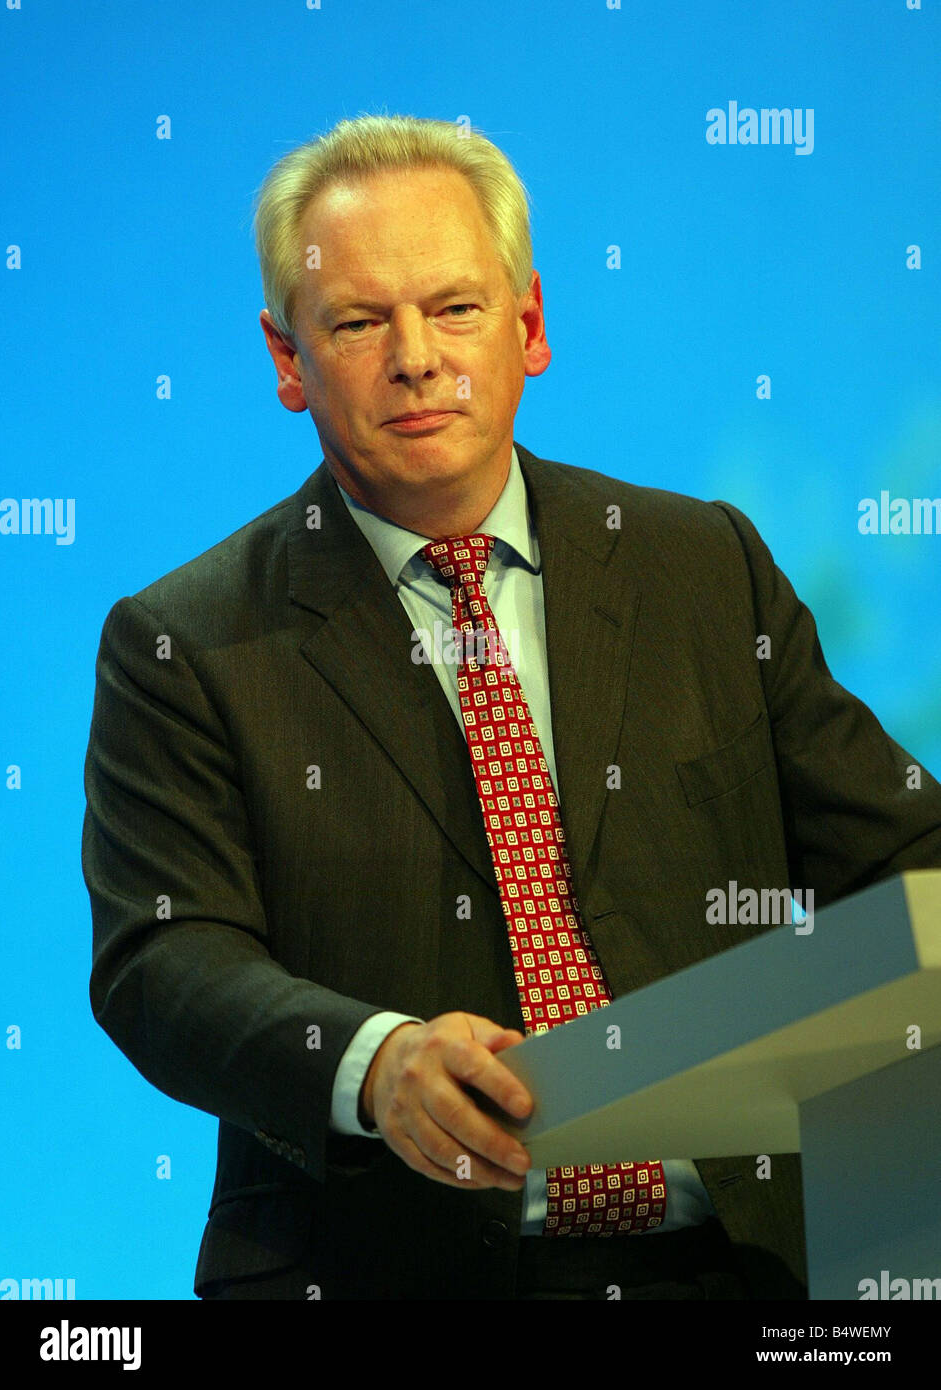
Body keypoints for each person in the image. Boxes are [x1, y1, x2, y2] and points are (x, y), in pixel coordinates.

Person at [82, 114, 941, 1301]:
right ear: (287, 360)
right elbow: (162, 961)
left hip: (745, 1272)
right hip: (391, 1276)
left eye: (454, 308)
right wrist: (377, 1066)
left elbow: (909, 865)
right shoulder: (186, 641)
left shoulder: (703, 566)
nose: (418, 358)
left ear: (528, 325)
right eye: (358, 321)